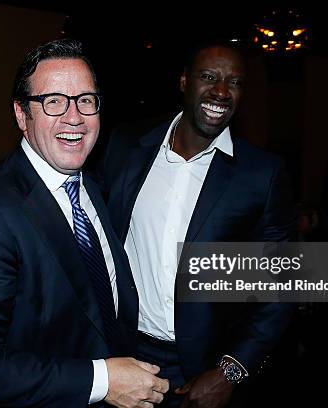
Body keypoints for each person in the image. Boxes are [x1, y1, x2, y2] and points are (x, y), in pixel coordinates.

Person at [0, 39, 168, 408]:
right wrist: (102, 380)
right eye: (53, 101)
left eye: (86, 100)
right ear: (22, 115)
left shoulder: (87, 182)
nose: (74, 117)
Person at [101, 41, 295, 407]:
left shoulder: (262, 175)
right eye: (209, 77)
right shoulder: (126, 147)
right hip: (122, 353)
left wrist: (230, 370)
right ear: (184, 81)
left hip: (204, 370)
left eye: (234, 82)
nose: (221, 91)